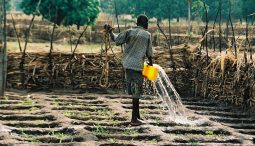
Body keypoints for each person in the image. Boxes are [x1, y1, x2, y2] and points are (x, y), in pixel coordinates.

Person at [104, 14, 153, 126]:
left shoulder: (129, 32)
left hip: (127, 65)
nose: (147, 25)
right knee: (137, 93)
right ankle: (134, 119)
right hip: (137, 66)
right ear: (144, 23)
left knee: (135, 91)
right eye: (147, 23)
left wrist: (110, 31)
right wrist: (151, 65)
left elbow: (116, 39)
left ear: (137, 23)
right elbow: (149, 53)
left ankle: (137, 115)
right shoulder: (147, 35)